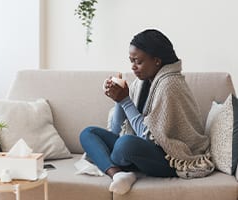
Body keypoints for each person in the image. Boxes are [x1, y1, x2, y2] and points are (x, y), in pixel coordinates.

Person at [80, 29, 215, 195]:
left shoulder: (170, 85)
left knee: (125, 144)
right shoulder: (140, 83)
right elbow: (116, 131)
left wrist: (125, 100)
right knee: (88, 133)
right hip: (139, 151)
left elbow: (147, 137)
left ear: (157, 61)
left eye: (138, 61)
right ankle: (118, 174)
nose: (133, 67)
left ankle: (112, 163)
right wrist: (119, 100)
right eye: (131, 61)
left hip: (169, 159)